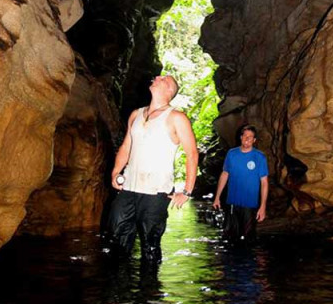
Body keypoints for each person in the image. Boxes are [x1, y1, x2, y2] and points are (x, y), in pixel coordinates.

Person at [107, 74, 198, 263]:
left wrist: (187, 191)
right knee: (117, 235)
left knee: (150, 243)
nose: (157, 77)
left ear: (169, 90)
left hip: (156, 191)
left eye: (164, 78)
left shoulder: (176, 117)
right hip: (129, 188)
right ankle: (118, 287)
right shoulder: (136, 114)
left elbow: (192, 154)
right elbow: (126, 146)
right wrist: (116, 171)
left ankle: (148, 289)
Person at [212, 125, 268, 242]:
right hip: (232, 202)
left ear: (254, 140)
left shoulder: (259, 157)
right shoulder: (232, 154)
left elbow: (264, 183)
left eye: (250, 137)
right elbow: (225, 174)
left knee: (248, 239)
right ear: (241, 137)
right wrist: (217, 197)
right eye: (245, 136)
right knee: (229, 239)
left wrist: (263, 206)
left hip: (250, 205)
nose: (247, 139)